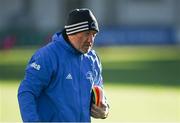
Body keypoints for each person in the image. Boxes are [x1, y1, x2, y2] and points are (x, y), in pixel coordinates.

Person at [18, 8, 109, 122]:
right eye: (87, 34)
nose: (91, 40)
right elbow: (27, 92)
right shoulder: (47, 56)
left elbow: (99, 93)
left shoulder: (93, 59)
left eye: (94, 35)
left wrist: (104, 110)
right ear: (72, 32)